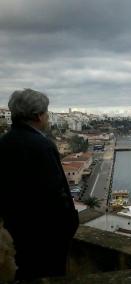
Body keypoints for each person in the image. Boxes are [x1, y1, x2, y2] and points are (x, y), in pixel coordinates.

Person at [0, 89, 79, 281]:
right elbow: (54, 192)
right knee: (50, 274)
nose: (48, 119)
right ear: (37, 116)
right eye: (46, 113)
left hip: (17, 228)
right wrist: (70, 222)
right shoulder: (41, 145)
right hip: (47, 233)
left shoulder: (4, 142)